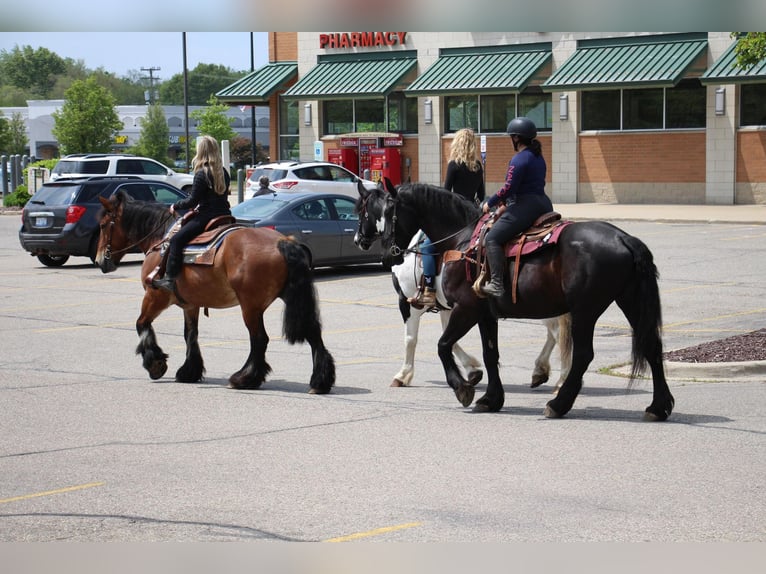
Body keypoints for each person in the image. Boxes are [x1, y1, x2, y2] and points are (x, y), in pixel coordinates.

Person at [413, 129, 486, 309]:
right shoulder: (478, 166)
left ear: (457, 143)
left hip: (455, 216)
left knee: (426, 246)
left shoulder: (454, 164)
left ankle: (429, 290)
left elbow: (446, 193)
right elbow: (481, 194)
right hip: (472, 217)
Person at [481, 117, 553, 298]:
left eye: (511, 137)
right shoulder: (538, 157)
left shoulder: (519, 159)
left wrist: (489, 203)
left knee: (492, 239)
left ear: (516, 138)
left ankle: (497, 283)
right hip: (543, 203)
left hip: (525, 206)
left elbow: (509, 188)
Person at [153, 135, 232, 293]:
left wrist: (175, 205)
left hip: (206, 216)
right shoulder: (223, 172)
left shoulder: (202, 174)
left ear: (201, 151)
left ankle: (169, 279)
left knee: (176, 240)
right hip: (225, 214)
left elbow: (192, 201)